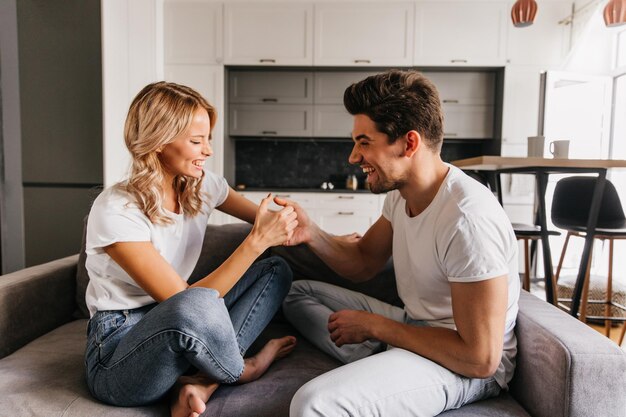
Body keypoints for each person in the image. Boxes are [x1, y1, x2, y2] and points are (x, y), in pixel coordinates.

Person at [278, 69, 520, 416]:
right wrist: (310, 232)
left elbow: (480, 358)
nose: (353, 157)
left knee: (313, 404)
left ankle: (384, 363)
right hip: (416, 325)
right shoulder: (400, 195)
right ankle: (383, 366)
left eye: (364, 142)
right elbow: (363, 263)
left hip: (465, 364)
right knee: (295, 292)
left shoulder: (467, 219)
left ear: (409, 143)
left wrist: (375, 326)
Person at [84, 81, 298, 417]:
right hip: (119, 354)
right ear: (158, 142)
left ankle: (200, 382)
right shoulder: (116, 209)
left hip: (183, 325)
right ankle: (239, 370)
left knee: (276, 269)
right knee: (192, 308)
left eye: (208, 139)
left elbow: (270, 219)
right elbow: (186, 305)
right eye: (197, 141)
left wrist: (334, 239)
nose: (208, 151)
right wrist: (256, 242)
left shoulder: (204, 186)